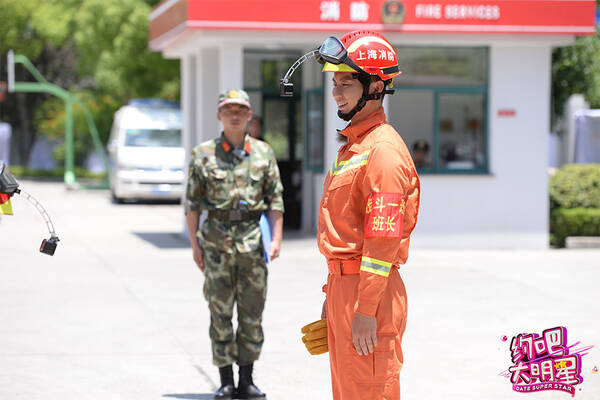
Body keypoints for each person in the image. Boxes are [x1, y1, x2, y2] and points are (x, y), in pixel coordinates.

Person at [317, 30, 421, 399]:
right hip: (347, 290)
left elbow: (382, 241)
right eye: (335, 82)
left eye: (347, 82)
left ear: (375, 86)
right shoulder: (356, 146)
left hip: (369, 298)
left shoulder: (383, 152)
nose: (336, 91)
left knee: (370, 391)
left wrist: (364, 310)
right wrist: (334, 295)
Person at [185, 89, 284, 400]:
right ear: (219, 115)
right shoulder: (202, 154)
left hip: (253, 242)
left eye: (240, 109)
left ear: (249, 114)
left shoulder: (264, 153)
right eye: (229, 109)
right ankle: (226, 380)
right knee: (220, 312)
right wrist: (195, 245)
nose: (235, 114)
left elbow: (275, 199)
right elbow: (193, 203)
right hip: (215, 242)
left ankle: (247, 380)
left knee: (253, 312)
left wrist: (277, 237)